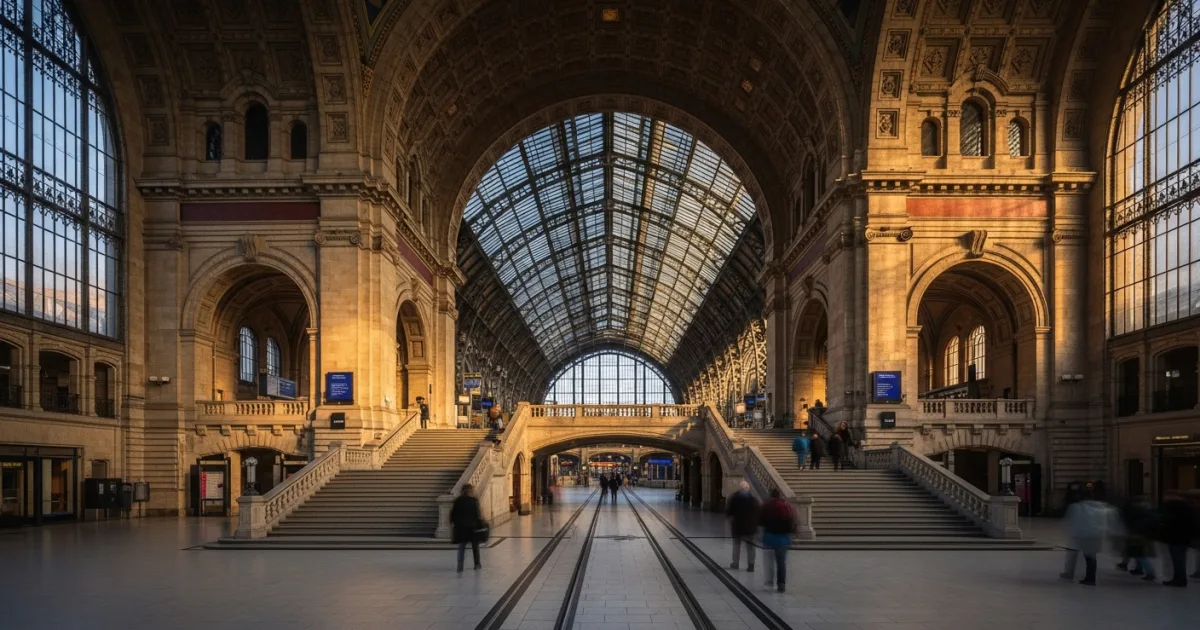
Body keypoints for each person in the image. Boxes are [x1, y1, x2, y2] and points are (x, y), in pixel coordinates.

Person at [1060, 491, 1116, 585]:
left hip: (1082, 535)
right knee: (1091, 557)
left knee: (1073, 555)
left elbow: (1074, 520)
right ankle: (1090, 577)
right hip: (1095, 535)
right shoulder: (1100, 508)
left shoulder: (1078, 507)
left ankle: (1072, 573)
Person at [759, 488, 795, 593]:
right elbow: (791, 522)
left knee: (768, 562)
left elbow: (760, 521)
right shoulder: (786, 506)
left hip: (769, 537)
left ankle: (769, 583)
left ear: (771, 495)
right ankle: (781, 584)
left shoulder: (766, 506)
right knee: (781, 562)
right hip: (783, 539)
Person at [1159, 495, 1198, 587]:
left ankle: (1179, 579)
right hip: (1183, 540)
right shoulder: (1189, 512)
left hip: (1175, 539)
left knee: (1177, 561)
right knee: (1180, 561)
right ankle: (1180, 579)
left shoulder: (1175, 514)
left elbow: (1169, 523)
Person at [726, 481, 760, 572]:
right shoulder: (753, 499)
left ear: (740, 488)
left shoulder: (734, 498)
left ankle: (735, 563)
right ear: (748, 488)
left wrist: (731, 520)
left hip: (737, 526)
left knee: (736, 545)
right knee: (751, 547)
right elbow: (758, 513)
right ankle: (751, 564)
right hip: (750, 527)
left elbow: (729, 512)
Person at [450, 484, 483, 573]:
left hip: (461, 528)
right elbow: (478, 515)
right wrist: (479, 525)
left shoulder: (458, 501)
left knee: (462, 547)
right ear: (471, 491)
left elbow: (453, 515)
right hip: (472, 528)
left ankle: (460, 565)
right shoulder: (474, 501)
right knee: (475, 547)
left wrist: (455, 523)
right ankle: (477, 564)